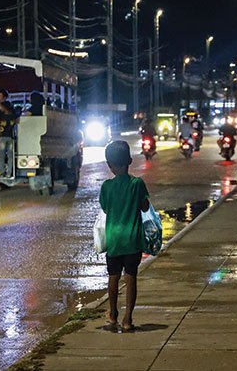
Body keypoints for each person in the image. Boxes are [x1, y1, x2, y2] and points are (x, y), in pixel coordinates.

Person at [99, 141, 150, 332]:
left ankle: (112, 314)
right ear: (129, 160)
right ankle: (128, 319)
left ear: (109, 165)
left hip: (114, 240)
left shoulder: (107, 186)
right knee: (131, 278)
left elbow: (105, 208)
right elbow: (145, 207)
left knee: (113, 277)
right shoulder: (137, 184)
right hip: (133, 240)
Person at [0, 89, 19, 177]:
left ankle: (8, 172)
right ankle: (2, 172)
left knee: (9, 155)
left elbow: (14, 118)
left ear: (5, 98)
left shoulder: (10, 106)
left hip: (9, 134)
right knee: (1, 154)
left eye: (0, 96)